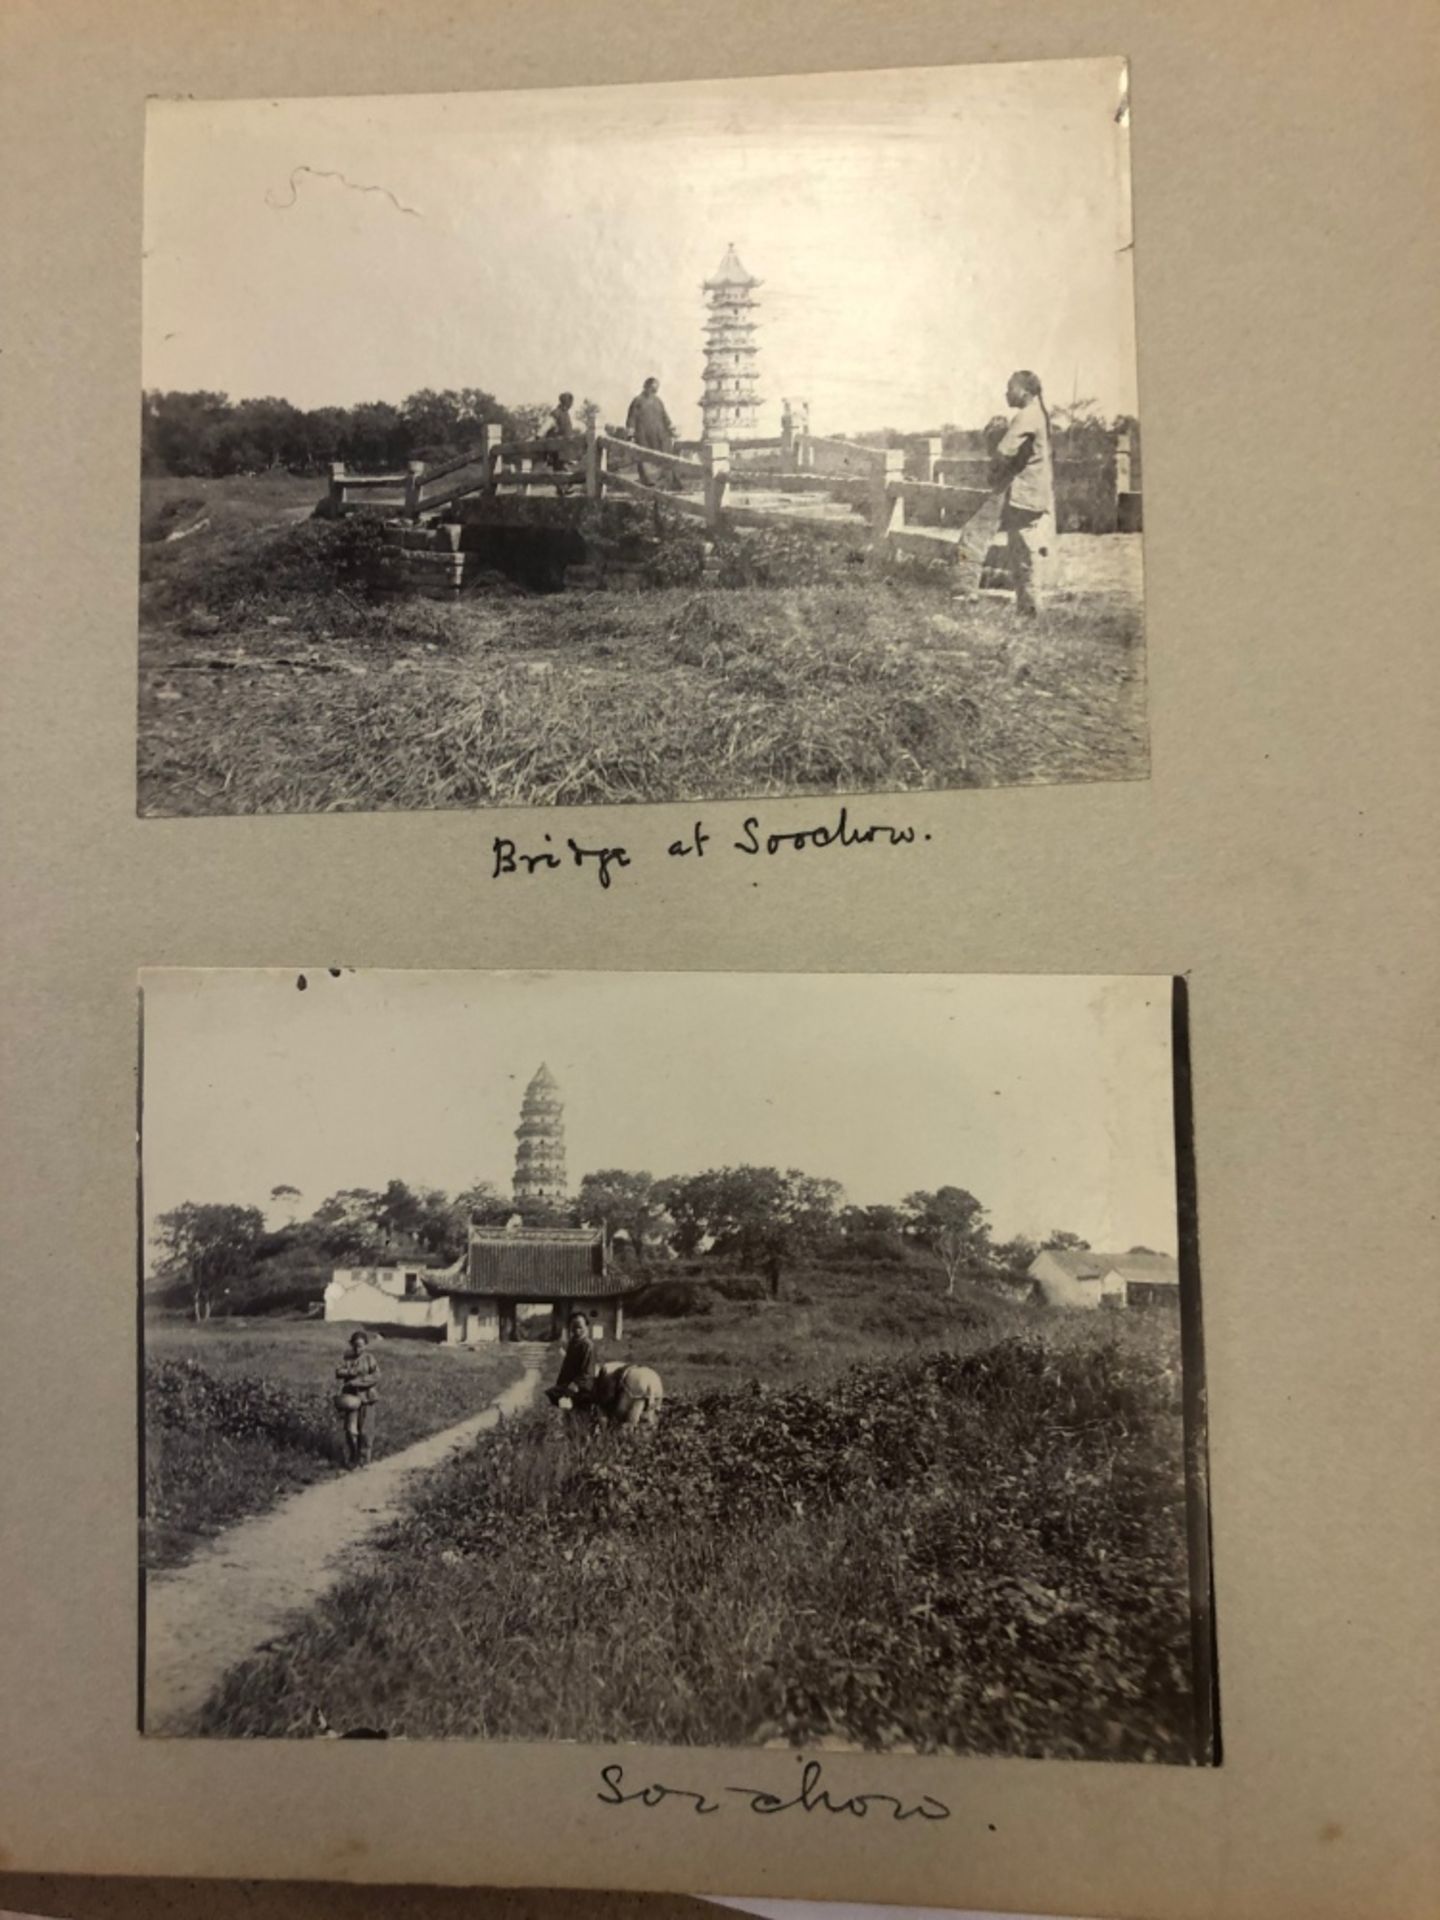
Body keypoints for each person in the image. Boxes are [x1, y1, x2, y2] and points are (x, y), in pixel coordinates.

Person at [993, 370, 1057, 616]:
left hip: (1024, 495)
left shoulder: (1025, 416)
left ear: (1024, 392)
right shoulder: (1039, 413)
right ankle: (1027, 608)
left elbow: (1003, 451)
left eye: (1010, 388)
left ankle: (1030, 611)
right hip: (1034, 493)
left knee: (1022, 552)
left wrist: (994, 468)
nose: (1006, 393)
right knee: (1022, 550)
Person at [334, 1329, 379, 1468]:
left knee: (365, 1430)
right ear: (351, 1345)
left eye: (360, 1345)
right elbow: (338, 1371)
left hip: (366, 1398)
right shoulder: (347, 1358)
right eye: (355, 1345)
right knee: (350, 1430)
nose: (357, 1348)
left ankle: (364, 1460)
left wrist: (357, 1382)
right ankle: (353, 1456)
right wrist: (350, 1372)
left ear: (365, 1345)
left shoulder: (369, 1359)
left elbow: (376, 1376)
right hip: (351, 1398)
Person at [625, 376, 679, 489]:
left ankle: (665, 482)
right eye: (652, 387)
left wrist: (672, 429)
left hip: (659, 435)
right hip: (644, 436)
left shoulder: (658, 401)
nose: (654, 390)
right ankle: (648, 483)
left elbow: (665, 417)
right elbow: (631, 419)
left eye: (656, 388)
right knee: (645, 458)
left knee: (662, 457)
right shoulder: (637, 401)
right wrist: (630, 435)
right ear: (646, 387)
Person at [546, 1310, 599, 1412]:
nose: (577, 1330)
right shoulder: (573, 1344)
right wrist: (560, 1384)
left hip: (582, 1387)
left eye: (580, 1327)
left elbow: (587, 1372)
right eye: (574, 1327)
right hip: (568, 1384)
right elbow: (566, 1368)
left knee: (569, 1408)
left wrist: (575, 1385)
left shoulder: (588, 1345)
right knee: (551, 1395)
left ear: (586, 1327)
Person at [543, 391, 577, 495]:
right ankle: (562, 489)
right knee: (560, 468)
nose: (571, 404)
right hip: (558, 447)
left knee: (563, 467)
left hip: (565, 447)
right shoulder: (557, 413)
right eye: (570, 401)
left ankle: (563, 489)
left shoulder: (565, 413)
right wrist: (539, 435)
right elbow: (546, 425)